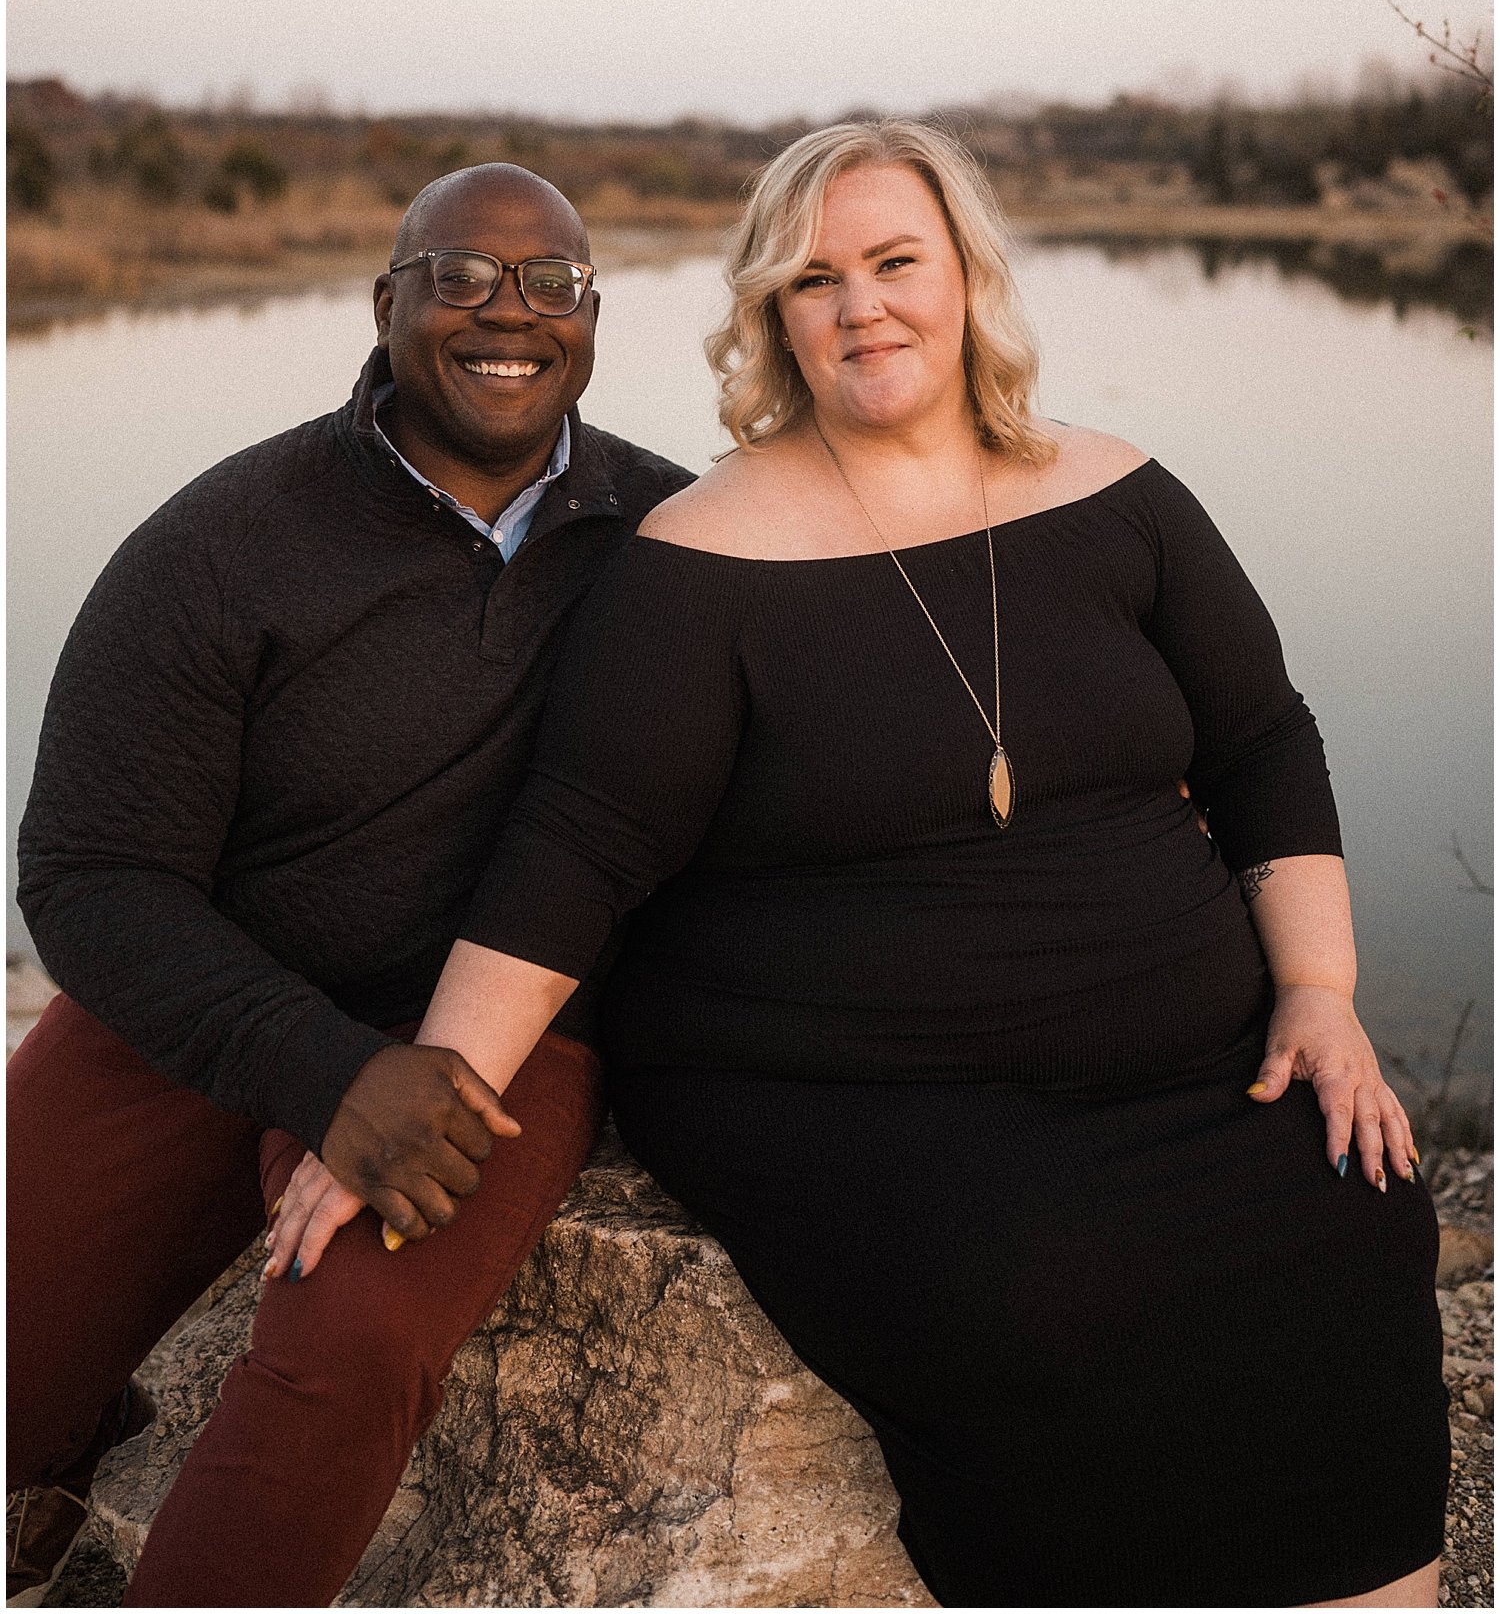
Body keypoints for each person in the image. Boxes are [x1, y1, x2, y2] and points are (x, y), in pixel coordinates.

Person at [273, 117, 1450, 1608]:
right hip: (853, 1091)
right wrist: (425, 1097)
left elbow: (1265, 741)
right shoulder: (702, 557)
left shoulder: (1122, 492)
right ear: (774, 315)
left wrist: (1323, 991)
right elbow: (578, 851)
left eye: (896, 262)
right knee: (1037, 1283)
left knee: (1358, 1208)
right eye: (814, 278)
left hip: (1187, 1061)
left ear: (967, 278)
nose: (861, 305)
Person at [7, 163, 692, 1608]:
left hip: (505, 1035)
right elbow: (86, 872)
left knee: (358, 1347)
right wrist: (320, 1071)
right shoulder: (223, 542)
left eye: (551, 283)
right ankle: (53, 1461)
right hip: (209, 997)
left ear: (590, 317)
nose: (509, 312)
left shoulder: (670, 541)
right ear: (385, 304)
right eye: (459, 277)